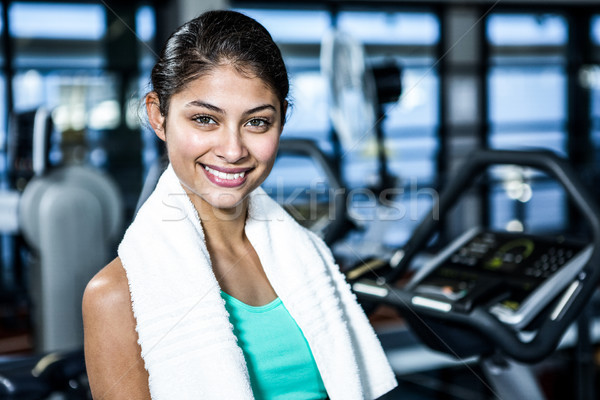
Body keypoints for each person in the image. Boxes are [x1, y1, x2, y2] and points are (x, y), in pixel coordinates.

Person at [82, 10, 397, 400]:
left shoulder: (308, 256)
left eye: (257, 123)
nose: (232, 151)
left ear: (282, 120)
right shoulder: (113, 295)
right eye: (204, 119)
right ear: (157, 116)